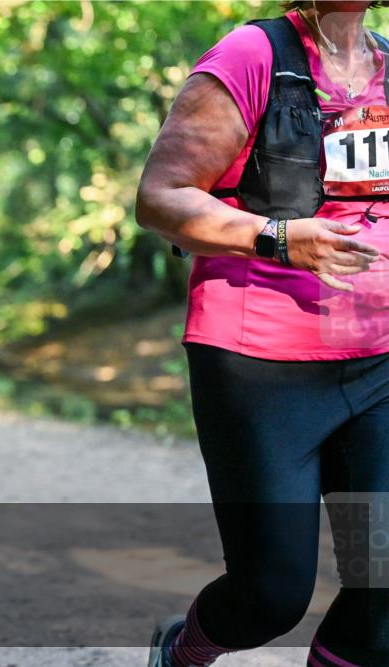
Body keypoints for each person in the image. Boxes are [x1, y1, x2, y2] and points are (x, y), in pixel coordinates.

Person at [137, 2, 389, 666]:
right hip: (259, 364)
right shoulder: (252, 58)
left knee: (382, 583)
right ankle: (183, 650)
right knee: (271, 593)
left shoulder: (388, 66)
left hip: (378, 363)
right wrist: (275, 237)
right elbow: (161, 197)